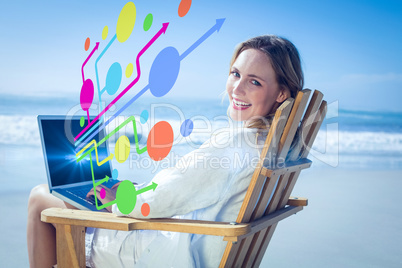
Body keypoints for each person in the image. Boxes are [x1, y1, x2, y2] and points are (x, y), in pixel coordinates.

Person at [27, 34, 304, 268]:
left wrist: (117, 199)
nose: (237, 88)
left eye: (254, 82)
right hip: (187, 240)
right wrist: (134, 189)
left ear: (281, 94)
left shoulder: (233, 145)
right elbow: (182, 190)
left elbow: (154, 203)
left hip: (163, 253)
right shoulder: (272, 146)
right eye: (235, 74)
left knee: (40, 197)